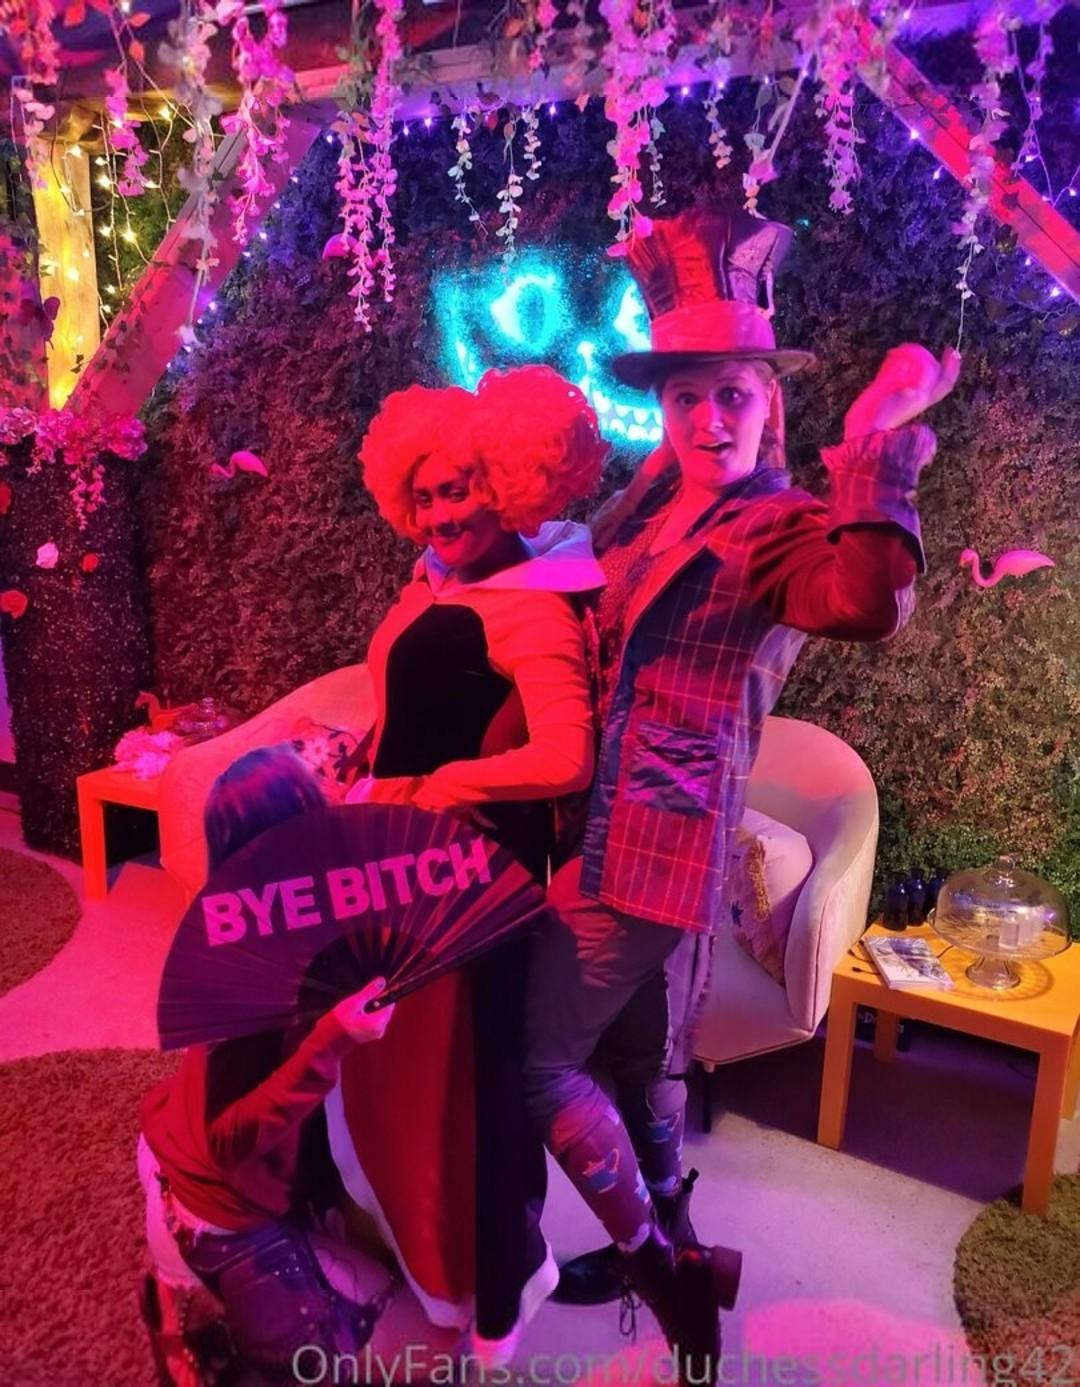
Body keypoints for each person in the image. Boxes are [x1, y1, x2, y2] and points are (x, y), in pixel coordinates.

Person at [523, 207, 961, 1383]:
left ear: (770, 403)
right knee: (641, 1062)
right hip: (610, 828)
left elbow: (862, 599)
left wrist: (874, 444)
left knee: (535, 1060)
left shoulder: (774, 525)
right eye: (686, 398)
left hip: (651, 843)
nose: (709, 419)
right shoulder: (660, 504)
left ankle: (654, 1258)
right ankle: (675, 1241)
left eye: (732, 395)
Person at [326, 365, 608, 1363]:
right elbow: (414, 700)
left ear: (509, 486)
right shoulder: (436, 582)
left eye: (462, 490)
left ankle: (496, 1295)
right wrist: (372, 749)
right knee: (385, 1070)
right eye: (427, 495)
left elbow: (567, 756)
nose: (443, 513)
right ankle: (411, 1255)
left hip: (477, 877)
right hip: (400, 857)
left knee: (474, 1092)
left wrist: (450, 782)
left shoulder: (535, 604)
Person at [138, 746, 458, 1386]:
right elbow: (229, 1139)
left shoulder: (262, 909)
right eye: (319, 795)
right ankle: (193, 1309)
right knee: (439, 1355)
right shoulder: (246, 972)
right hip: (218, 1210)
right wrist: (331, 1041)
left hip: (175, 1150)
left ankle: (197, 1291)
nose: (333, 802)